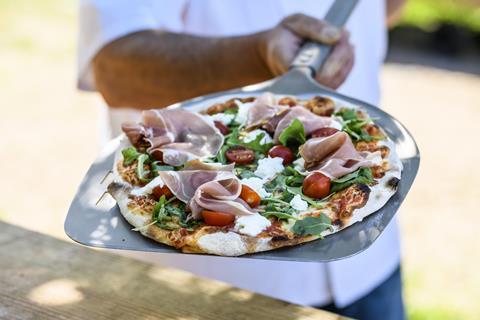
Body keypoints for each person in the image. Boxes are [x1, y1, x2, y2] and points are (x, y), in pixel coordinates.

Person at [78, 1, 406, 319]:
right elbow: (114, 69)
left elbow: (386, 10)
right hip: (209, 290)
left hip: (370, 259)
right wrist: (258, 53)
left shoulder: (368, 170)